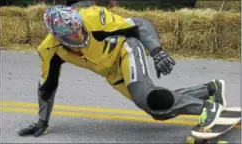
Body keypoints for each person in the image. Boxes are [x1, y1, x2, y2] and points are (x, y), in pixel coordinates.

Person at [18, 4, 226, 137]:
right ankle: (209, 89)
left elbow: (140, 25)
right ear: (56, 35)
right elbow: (47, 84)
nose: (79, 35)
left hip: (125, 50)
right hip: (112, 73)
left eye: (79, 29)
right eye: (71, 35)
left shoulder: (93, 17)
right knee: (157, 110)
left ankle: (207, 109)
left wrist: (156, 51)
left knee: (145, 97)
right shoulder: (49, 49)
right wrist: (42, 121)